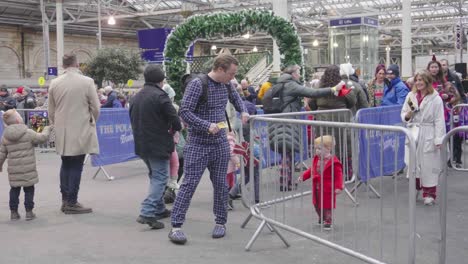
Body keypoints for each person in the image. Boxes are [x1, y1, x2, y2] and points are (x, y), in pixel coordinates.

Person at [169, 54, 248, 245]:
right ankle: (176, 227)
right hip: (198, 143)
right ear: (220, 69)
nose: (233, 78)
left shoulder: (227, 84)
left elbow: (236, 98)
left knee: (221, 185)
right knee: (189, 185)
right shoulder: (198, 84)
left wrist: (243, 110)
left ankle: (221, 222)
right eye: (231, 73)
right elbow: (184, 111)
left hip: (220, 142)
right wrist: (206, 125)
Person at [270, 64, 344, 191]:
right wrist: (333, 89)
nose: (299, 75)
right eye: (298, 72)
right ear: (293, 73)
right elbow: (312, 92)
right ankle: (284, 183)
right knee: (287, 154)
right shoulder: (291, 84)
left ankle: (287, 182)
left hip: (283, 120)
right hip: (288, 121)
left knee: (287, 153)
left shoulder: (282, 83)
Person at [130, 65, 181, 229]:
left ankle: (159, 208)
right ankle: (147, 212)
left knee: (155, 176)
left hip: (141, 143)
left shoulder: (136, 97)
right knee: (160, 178)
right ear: (161, 80)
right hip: (158, 143)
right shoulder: (161, 96)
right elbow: (176, 122)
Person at [48, 53, 100, 214]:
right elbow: (96, 107)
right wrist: (92, 121)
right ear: (77, 64)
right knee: (77, 165)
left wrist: (55, 125)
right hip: (81, 129)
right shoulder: (87, 82)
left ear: (63, 65)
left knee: (66, 164)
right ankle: (72, 201)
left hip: (62, 131)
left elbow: (51, 110)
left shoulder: (54, 83)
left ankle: (65, 199)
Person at [401, 70, 445, 206]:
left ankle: (430, 193)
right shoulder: (410, 96)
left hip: (428, 132)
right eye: (417, 80)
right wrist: (408, 115)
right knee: (413, 163)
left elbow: (439, 120)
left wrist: (439, 139)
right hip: (414, 132)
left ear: (427, 81)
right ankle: (415, 188)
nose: (419, 83)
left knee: (428, 163)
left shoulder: (436, 99)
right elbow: (403, 115)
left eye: (421, 80)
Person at [0, 109, 51, 221]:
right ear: (19, 120)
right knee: (29, 190)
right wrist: (47, 129)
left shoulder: (5, 136)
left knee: (14, 190)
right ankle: (29, 212)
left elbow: (1, 153)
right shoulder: (28, 133)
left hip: (14, 171)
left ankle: (14, 212)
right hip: (29, 170)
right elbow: (42, 138)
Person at [299, 135, 343, 230]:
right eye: (316, 149)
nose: (317, 151)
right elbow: (312, 169)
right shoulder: (316, 159)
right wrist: (303, 176)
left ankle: (328, 220)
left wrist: (339, 187)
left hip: (327, 188)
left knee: (327, 206)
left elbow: (339, 175)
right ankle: (321, 217)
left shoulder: (334, 162)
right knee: (316, 204)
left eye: (319, 148)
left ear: (328, 148)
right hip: (317, 186)